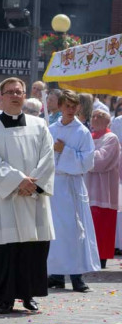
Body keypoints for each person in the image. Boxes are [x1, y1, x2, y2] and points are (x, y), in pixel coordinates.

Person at [0, 77, 55, 313]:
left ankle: (28, 294)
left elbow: (48, 156)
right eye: (9, 92)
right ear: (0, 96)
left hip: (33, 198)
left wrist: (33, 183)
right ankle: (5, 297)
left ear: (24, 95)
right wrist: (18, 181)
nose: (14, 96)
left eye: (19, 92)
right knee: (6, 250)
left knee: (32, 250)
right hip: (5, 198)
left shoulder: (39, 125)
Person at [46, 89, 99, 292]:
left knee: (75, 231)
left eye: (73, 106)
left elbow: (87, 162)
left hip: (72, 186)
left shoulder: (82, 132)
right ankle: (57, 274)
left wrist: (65, 151)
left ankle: (77, 276)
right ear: (59, 107)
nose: (69, 110)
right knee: (56, 231)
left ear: (78, 108)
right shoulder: (51, 129)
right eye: (66, 106)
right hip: (54, 186)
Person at [87, 109, 120, 269]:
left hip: (105, 188)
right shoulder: (88, 137)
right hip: (87, 186)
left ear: (107, 121)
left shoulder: (111, 138)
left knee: (104, 224)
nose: (95, 119)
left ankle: (101, 258)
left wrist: (82, 157)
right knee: (90, 224)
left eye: (99, 116)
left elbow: (101, 161)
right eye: (93, 116)